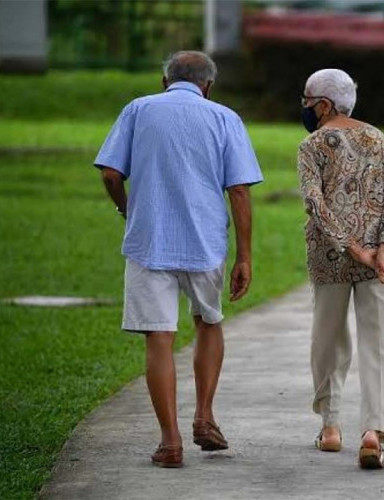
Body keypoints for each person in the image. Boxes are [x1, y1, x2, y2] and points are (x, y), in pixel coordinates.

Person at [94, 51, 263, 468]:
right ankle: (204, 416)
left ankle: (170, 442)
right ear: (209, 85)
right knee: (208, 321)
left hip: (149, 241)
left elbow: (110, 174)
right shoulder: (224, 117)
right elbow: (239, 190)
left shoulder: (138, 109)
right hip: (205, 241)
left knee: (159, 337)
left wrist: (127, 209)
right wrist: (244, 256)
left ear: (163, 79)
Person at [297, 68, 384, 469]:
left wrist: (352, 248)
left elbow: (315, 203)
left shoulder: (311, 145)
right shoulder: (382, 141)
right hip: (383, 261)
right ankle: (372, 433)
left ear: (324, 105)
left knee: (327, 337)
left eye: (308, 101)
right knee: (382, 342)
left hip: (330, 256)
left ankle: (330, 428)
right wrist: (382, 249)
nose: (306, 109)